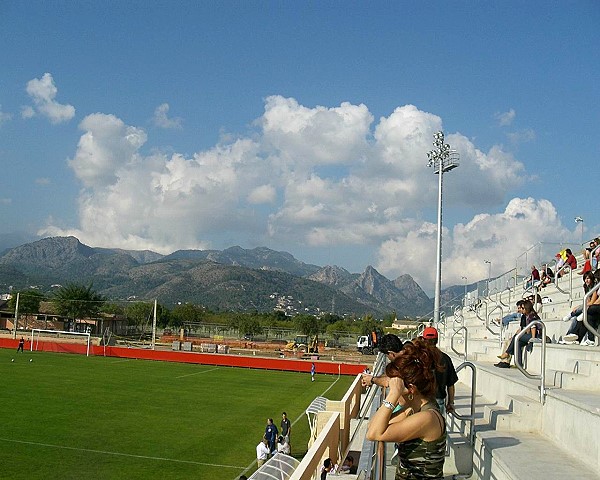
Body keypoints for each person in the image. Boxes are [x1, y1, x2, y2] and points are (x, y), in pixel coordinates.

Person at [366, 338, 446, 480]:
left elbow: (374, 433)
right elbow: (373, 426)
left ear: (411, 389)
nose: (392, 388)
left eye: (394, 385)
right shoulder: (413, 409)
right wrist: (399, 398)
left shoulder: (427, 417)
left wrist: (393, 395)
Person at [422, 327, 458, 415]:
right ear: (437, 340)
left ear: (423, 340)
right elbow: (450, 385)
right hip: (438, 401)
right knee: (438, 428)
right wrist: (450, 403)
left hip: (421, 400)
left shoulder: (419, 357)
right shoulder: (445, 358)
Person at [495, 299, 541, 367]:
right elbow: (522, 328)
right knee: (517, 342)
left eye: (522, 308)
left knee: (516, 338)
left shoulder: (532, 316)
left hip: (536, 335)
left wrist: (532, 340)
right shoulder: (525, 316)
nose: (521, 310)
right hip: (528, 334)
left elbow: (533, 328)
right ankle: (518, 364)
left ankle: (507, 354)